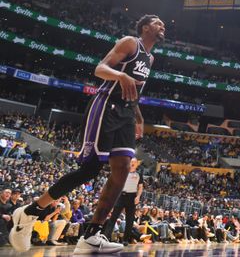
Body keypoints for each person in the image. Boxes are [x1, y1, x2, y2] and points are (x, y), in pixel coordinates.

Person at [11, 14, 164, 254]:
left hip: (126, 113)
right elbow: (100, 69)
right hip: (105, 106)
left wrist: (139, 117)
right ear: (145, 27)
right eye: (157, 23)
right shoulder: (130, 43)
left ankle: (92, 235)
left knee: (122, 170)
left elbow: (135, 91)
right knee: (90, 169)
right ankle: (30, 212)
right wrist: (121, 75)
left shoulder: (151, 58)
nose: (161, 26)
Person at [102, 157, 143, 245]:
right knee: (113, 217)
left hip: (132, 197)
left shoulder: (139, 174)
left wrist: (138, 196)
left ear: (137, 164)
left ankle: (125, 240)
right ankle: (106, 236)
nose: (132, 163)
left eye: (134, 162)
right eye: (131, 162)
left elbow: (140, 187)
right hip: (121, 195)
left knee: (130, 220)